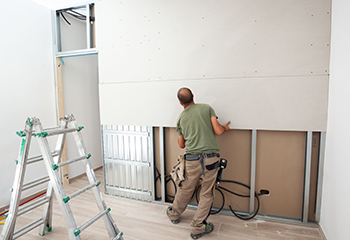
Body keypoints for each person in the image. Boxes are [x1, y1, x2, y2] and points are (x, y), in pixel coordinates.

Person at [167, 87, 231, 239]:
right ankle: (198, 228)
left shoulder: (181, 118)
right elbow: (219, 131)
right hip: (210, 159)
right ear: (193, 96)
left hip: (191, 160)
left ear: (180, 102)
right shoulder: (207, 108)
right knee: (206, 194)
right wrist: (226, 128)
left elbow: (182, 145)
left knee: (185, 189)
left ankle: (173, 214)